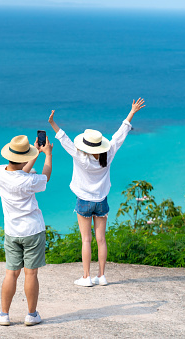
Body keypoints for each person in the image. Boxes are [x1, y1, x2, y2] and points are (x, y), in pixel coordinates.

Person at [48, 98, 145, 287]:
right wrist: (132, 112)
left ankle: (86, 277)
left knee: (86, 239)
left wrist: (52, 122)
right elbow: (119, 135)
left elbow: (64, 139)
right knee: (101, 239)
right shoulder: (108, 155)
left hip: (83, 201)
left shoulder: (79, 156)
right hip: (101, 201)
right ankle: (101, 276)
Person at [0, 134, 53, 326]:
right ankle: (31, 315)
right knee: (31, 274)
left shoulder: (0, 172)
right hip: (33, 230)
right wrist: (47, 155)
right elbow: (45, 177)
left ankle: (4, 314)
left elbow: (20, 170)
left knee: (11, 273)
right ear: (25, 157)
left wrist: (31, 155)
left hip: (12, 232)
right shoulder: (29, 182)